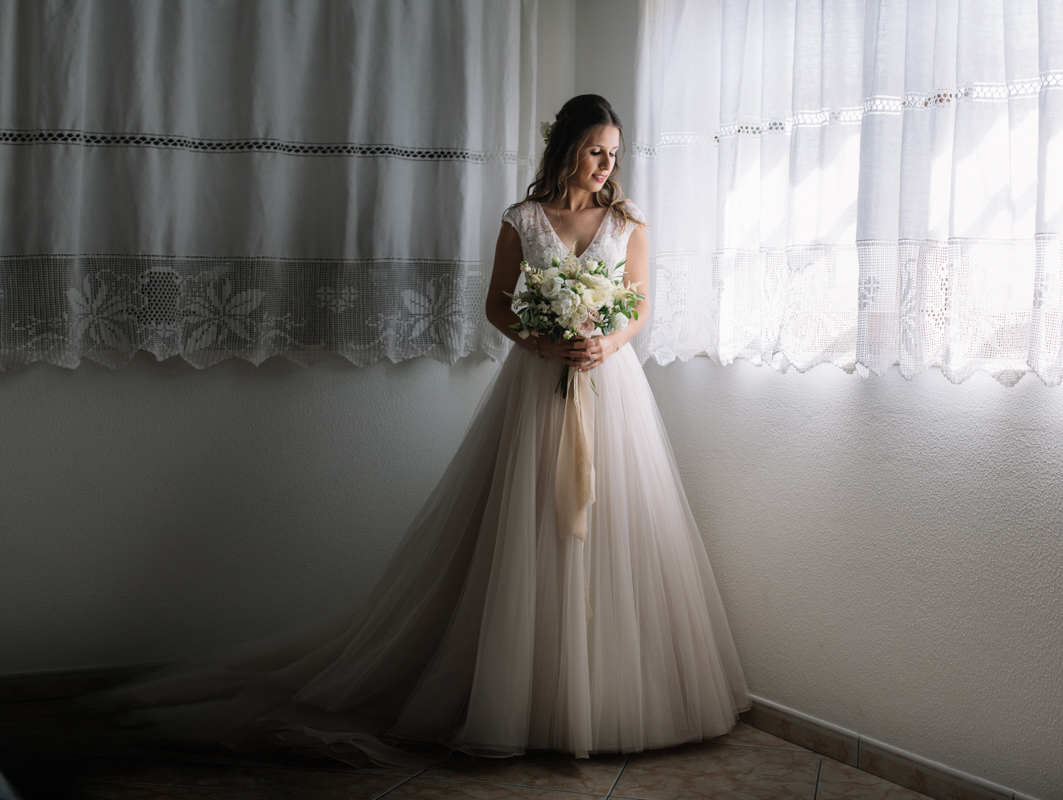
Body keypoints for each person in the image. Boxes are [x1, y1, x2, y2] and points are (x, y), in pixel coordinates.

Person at [90, 94, 749, 767]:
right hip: (539, 385)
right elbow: (497, 306)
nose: (607, 165)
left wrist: (605, 344)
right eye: (594, 151)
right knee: (529, 525)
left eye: (613, 153)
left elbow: (638, 305)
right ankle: (527, 697)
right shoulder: (524, 220)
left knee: (616, 524)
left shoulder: (627, 220)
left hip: (610, 387)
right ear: (566, 149)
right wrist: (544, 343)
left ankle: (608, 695)